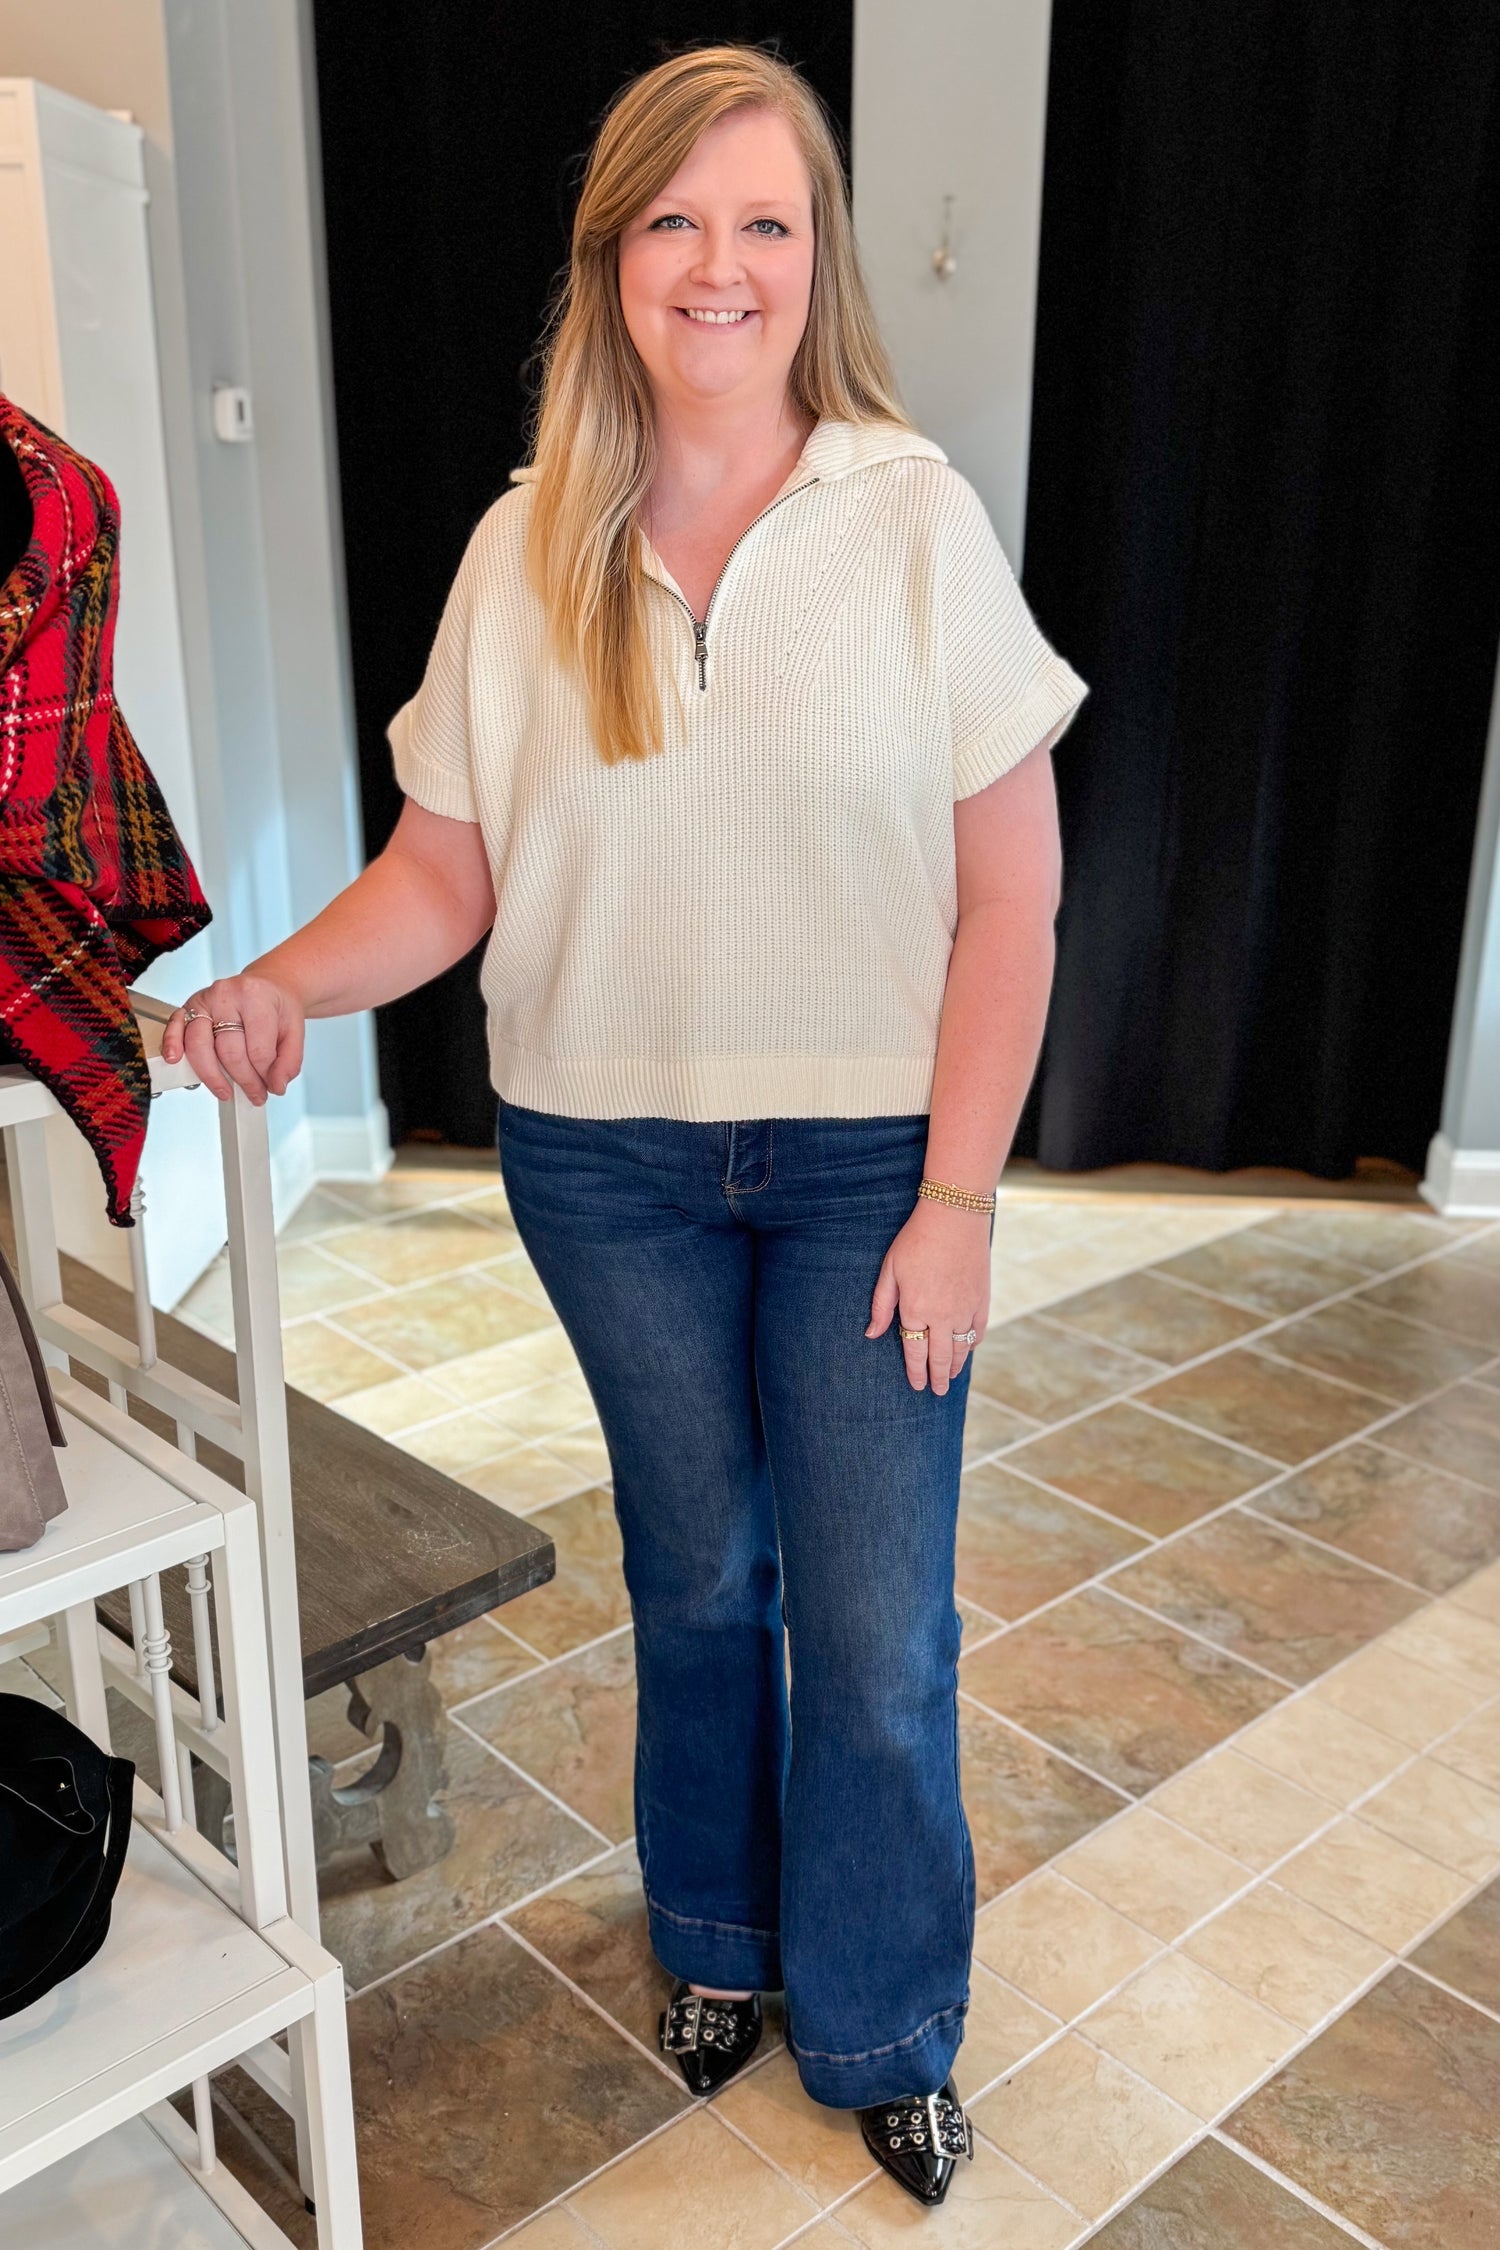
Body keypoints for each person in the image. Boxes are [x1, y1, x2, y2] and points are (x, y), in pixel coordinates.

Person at [163, 44, 1086, 2210]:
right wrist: (282, 982)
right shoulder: (526, 547)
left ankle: (883, 2020)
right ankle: (719, 1939)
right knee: (697, 1577)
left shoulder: (913, 520)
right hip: (606, 1167)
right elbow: (447, 874)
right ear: (613, 262)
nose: (719, 264)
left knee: (876, 1633)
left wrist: (960, 1196)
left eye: (765, 221)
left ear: (818, 260)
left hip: (868, 1170)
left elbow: (1015, 898)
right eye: (675, 219)